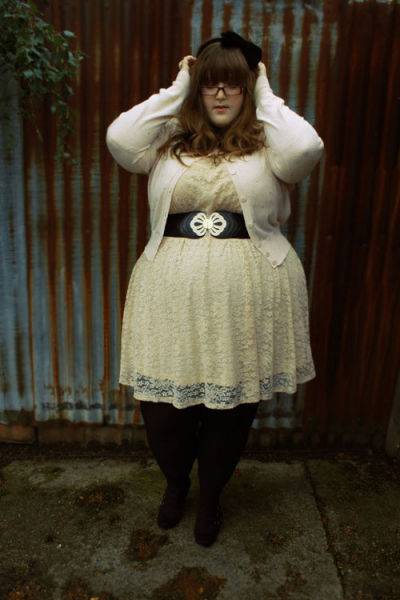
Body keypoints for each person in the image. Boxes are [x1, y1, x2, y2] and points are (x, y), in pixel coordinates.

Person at [106, 30, 324, 547]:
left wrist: (264, 89)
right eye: (211, 84)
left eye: (233, 84)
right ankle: (176, 482)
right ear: (197, 89)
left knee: (230, 411)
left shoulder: (271, 146)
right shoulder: (166, 142)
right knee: (164, 414)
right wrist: (179, 85)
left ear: (248, 90)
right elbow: (120, 138)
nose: (221, 93)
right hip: (169, 293)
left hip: (248, 292)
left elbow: (306, 148)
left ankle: (210, 496)